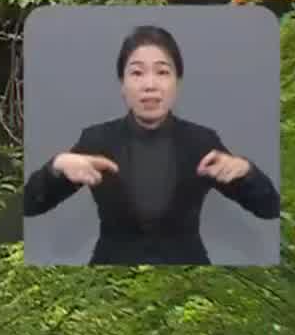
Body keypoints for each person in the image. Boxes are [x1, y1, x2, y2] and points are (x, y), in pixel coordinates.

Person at [23, 24, 280, 265]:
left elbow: (269, 209)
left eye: (162, 72)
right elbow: (31, 205)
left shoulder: (201, 142)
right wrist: (56, 167)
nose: (150, 85)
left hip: (190, 280)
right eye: (136, 73)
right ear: (122, 84)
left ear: (177, 83)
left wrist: (246, 171)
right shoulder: (97, 140)